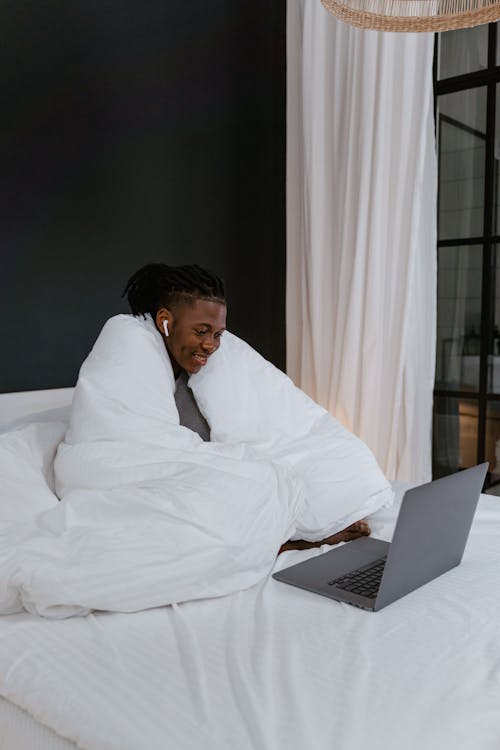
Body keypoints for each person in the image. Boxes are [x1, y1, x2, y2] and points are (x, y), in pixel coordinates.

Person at [122, 262, 371, 552]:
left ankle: (295, 534)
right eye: (201, 331)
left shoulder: (211, 381)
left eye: (217, 335)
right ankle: (291, 545)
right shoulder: (147, 387)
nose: (211, 345)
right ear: (165, 322)